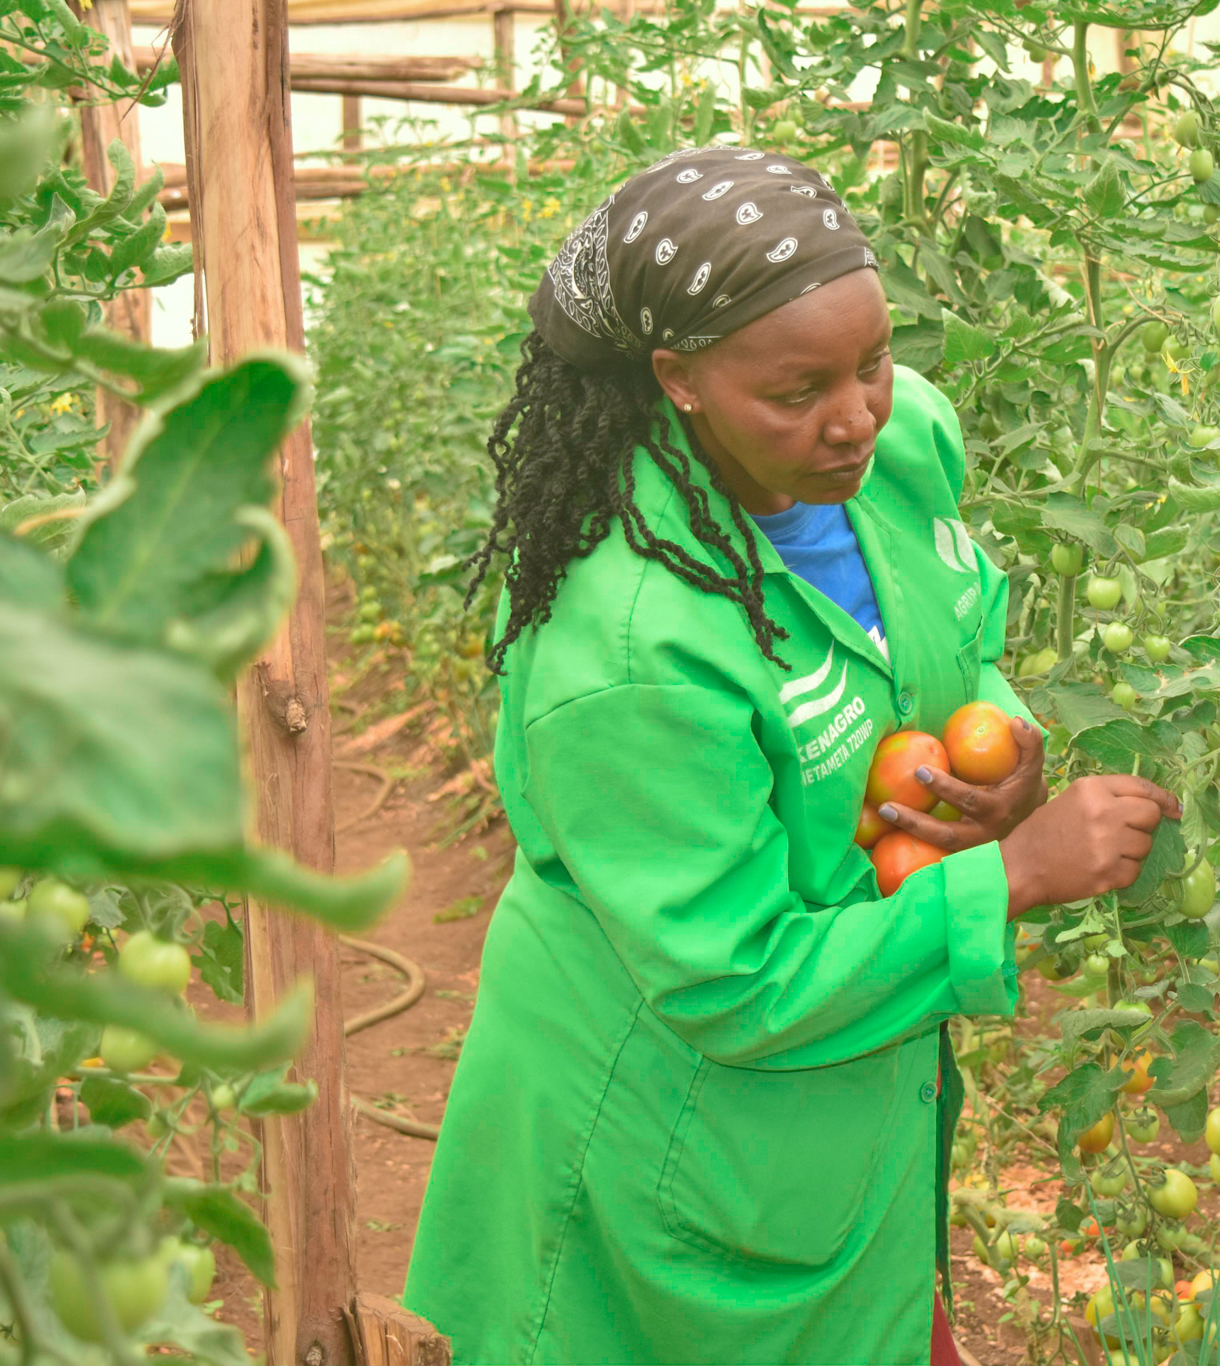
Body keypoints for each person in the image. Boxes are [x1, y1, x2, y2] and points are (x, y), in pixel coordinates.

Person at [403, 146, 1180, 1365]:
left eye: (871, 361)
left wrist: (1000, 728)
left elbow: (949, 619)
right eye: (800, 388)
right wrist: (1013, 873)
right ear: (680, 381)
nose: (857, 412)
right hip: (669, 1125)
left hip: (839, 1100)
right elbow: (733, 979)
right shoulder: (625, 649)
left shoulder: (891, 444)